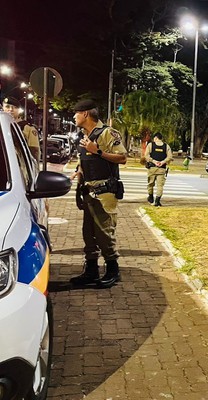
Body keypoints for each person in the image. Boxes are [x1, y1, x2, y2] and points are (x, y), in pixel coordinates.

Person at [69, 99, 127, 289]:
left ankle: (113, 270)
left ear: (85, 114)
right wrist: (79, 171)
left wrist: (98, 151)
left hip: (104, 193)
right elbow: (84, 160)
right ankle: (91, 270)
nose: (74, 117)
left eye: (76, 113)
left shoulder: (107, 133)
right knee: (89, 234)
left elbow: (123, 157)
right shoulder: (83, 135)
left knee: (104, 234)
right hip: (88, 192)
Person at [3, 97, 40, 162]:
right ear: (3, 108)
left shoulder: (28, 128)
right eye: (7, 106)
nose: (11, 109)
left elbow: (34, 152)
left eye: (15, 107)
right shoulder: (2, 126)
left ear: (19, 110)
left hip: (18, 167)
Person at [145, 132, 173, 207]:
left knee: (150, 184)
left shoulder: (150, 145)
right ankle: (157, 201)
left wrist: (154, 161)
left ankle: (150, 197)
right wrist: (162, 162)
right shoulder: (166, 146)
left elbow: (146, 156)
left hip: (152, 168)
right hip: (162, 169)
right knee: (160, 186)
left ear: (156, 138)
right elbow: (170, 157)